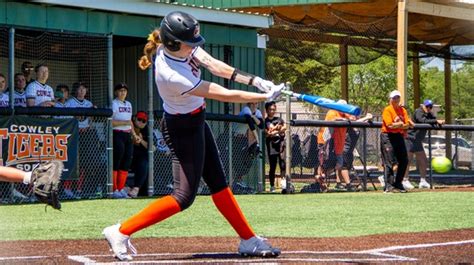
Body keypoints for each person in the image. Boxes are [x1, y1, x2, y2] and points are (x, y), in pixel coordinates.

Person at [102, 11, 282, 261]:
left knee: (218, 183)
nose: (195, 47)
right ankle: (120, 231)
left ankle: (248, 239)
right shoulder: (170, 74)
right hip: (181, 129)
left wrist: (256, 81)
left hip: (196, 121)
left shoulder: (183, 47)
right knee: (183, 197)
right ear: (174, 42)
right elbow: (220, 93)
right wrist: (263, 98)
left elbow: (216, 67)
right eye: (190, 43)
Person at [63, 82, 98, 198]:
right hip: (74, 134)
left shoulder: (89, 104)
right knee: (73, 161)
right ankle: (67, 188)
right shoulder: (70, 102)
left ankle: (79, 188)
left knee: (84, 162)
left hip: (86, 134)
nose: (82, 91)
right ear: (76, 90)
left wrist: (89, 126)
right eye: (80, 89)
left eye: (84, 88)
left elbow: (91, 121)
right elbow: (67, 119)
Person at [403, 99, 445, 189]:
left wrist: (438, 121)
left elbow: (433, 120)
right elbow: (422, 120)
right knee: (407, 160)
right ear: (423, 106)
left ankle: (423, 181)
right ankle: (405, 180)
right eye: (427, 107)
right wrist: (436, 121)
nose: (429, 108)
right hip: (410, 138)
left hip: (417, 140)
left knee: (423, 160)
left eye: (430, 107)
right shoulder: (419, 111)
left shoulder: (428, 113)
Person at [380, 90, 412, 193]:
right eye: (394, 98)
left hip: (398, 135)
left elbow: (408, 124)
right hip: (388, 136)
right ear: (390, 99)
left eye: (398, 97)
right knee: (389, 161)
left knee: (404, 160)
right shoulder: (387, 110)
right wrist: (401, 125)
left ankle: (398, 183)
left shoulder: (403, 110)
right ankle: (388, 186)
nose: (396, 99)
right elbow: (389, 125)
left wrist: (400, 125)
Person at [334, 113, 373, 191]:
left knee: (345, 166)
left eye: (355, 115)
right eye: (352, 115)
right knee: (343, 166)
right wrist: (366, 117)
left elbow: (362, 122)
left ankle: (339, 183)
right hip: (344, 149)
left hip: (350, 150)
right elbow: (356, 122)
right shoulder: (348, 124)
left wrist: (369, 118)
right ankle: (348, 185)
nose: (354, 117)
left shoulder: (357, 124)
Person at [316, 101, 348, 190]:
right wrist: (343, 120)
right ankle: (320, 182)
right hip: (324, 141)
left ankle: (322, 177)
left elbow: (352, 118)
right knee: (323, 162)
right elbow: (333, 120)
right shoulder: (332, 112)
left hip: (334, 143)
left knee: (337, 164)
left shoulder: (343, 114)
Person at [111, 82, 135, 199]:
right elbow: (110, 122)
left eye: (125, 91)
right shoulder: (114, 103)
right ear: (116, 92)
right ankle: (114, 189)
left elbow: (130, 121)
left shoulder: (129, 104)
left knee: (127, 161)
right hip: (117, 133)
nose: (123, 93)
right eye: (120, 90)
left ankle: (121, 189)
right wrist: (124, 123)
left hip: (127, 135)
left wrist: (134, 134)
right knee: (117, 160)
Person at [264, 101, 286, 193]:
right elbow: (267, 133)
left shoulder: (279, 119)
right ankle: (272, 186)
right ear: (267, 110)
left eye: (274, 109)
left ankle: (284, 184)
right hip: (271, 145)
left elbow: (284, 128)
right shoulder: (265, 121)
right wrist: (276, 130)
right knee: (272, 166)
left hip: (281, 145)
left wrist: (276, 131)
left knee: (282, 164)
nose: (272, 111)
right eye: (270, 109)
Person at [129, 111, 151, 198]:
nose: (141, 122)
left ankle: (136, 189)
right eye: (139, 119)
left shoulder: (146, 130)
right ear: (134, 119)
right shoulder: (129, 126)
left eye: (143, 121)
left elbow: (152, 147)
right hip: (128, 155)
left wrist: (141, 140)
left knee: (144, 163)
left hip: (139, 158)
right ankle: (122, 187)